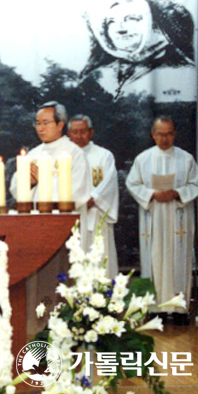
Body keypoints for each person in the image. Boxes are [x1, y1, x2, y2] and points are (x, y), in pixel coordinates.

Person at [9, 101, 91, 335]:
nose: (40, 128)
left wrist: (42, 181)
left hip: (62, 230)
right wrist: (29, 182)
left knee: (61, 285)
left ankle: (65, 334)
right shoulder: (33, 154)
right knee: (37, 284)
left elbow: (78, 192)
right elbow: (16, 188)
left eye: (46, 123)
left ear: (61, 124)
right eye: (37, 123)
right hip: (35, 229)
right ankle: (37, 332)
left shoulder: (74, 153)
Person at [126, 116, 198, 324]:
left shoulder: (185, 159)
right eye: (160, 133)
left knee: (179, 259)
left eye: (169, 133)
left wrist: (177, 193)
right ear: (153, 134)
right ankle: (155, 308)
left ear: (174, 134)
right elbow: (132, 183)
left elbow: (197, 184)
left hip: (178, 218)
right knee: (155, 258)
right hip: (154, 217)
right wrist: (152, 194)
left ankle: (178, 310)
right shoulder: (143, 159)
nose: (165, 138)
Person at [80, 0, 195, 100]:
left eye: (131, 19)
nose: (120, 29)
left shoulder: (185, 73)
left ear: (156, 24)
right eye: (111, 22)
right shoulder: (97, 76)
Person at [67, 114, 119, 278]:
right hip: (71, 217)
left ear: (91, 132)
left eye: (83, 131)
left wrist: (93, 198)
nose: (79, 136)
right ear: (68, 134)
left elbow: (110, 181)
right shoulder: (62, 156)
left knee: (100, 260)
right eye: (75, 132)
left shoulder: (104, 155)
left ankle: (102, 300)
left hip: (97, 215)